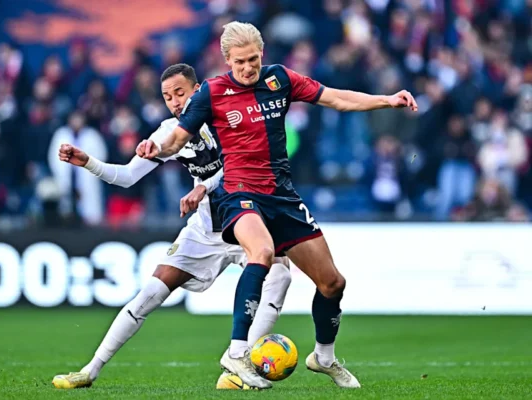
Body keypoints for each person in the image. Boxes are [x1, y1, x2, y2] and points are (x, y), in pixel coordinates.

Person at [137, 21, 419, 390]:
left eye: (253, 59)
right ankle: (237, 352)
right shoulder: (212, 92)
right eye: (240, 62)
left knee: (332, 283)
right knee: (262, 252)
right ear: (227, 60)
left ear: (262, 54)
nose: (248, 68)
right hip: (238, 191)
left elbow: (335, 98)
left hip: (281, 195)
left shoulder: (279, 79)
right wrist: (157, 148)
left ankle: (324, 357)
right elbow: (177, 139)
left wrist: (386, 99)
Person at [52, 64, 292, 389]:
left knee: (280, 274)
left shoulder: (228, 118)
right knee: (151, 292)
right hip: (205, 228)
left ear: (198, 90)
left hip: (246, 220)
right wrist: (89, 163)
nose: (175, 102)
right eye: (167, 97)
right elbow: (127, 176)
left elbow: (240, 162)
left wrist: (203, 186)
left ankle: (240, 367)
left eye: (180, 93)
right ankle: (90, 370)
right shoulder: (168, 132)